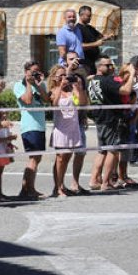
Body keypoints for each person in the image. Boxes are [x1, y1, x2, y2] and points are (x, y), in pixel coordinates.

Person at [88, 57, 132, 191]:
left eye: (112, 65)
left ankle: (94, 180)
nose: (111, 68)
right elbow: (126, 90)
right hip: (110, 118)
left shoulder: (92, 80)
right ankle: (106, 182)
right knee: (112, 150)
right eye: (108, 65)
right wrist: (132, 74)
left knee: (102, 150)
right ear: (99, 66)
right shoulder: (107, 80)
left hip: (99, 118)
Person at [50, 67, 88, 196]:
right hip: (61, 128)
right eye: (61, 76)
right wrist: (61, 86)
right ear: (55, 77)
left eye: (65, 75)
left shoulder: (72, 90)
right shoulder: (54, 90)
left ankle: (62, 185)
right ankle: (57, 187)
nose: (64, 78)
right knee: (60, 159)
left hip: (73, 127)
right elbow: (54, 105)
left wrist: (79, 87)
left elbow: (82, 103)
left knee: (66, 158)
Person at [13, 60, 49, 200]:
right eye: (32, 71)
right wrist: (29, 83)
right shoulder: (19, 85)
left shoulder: (39, 84)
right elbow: (27, 101)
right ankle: (27, 189)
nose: (35, 74)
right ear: (26, 72)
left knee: (37, 158)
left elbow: (46, 100)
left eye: (37, 71)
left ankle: (27, 189)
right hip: (30, 126)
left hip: (40, 125)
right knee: (33, 158)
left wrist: (38, 85)